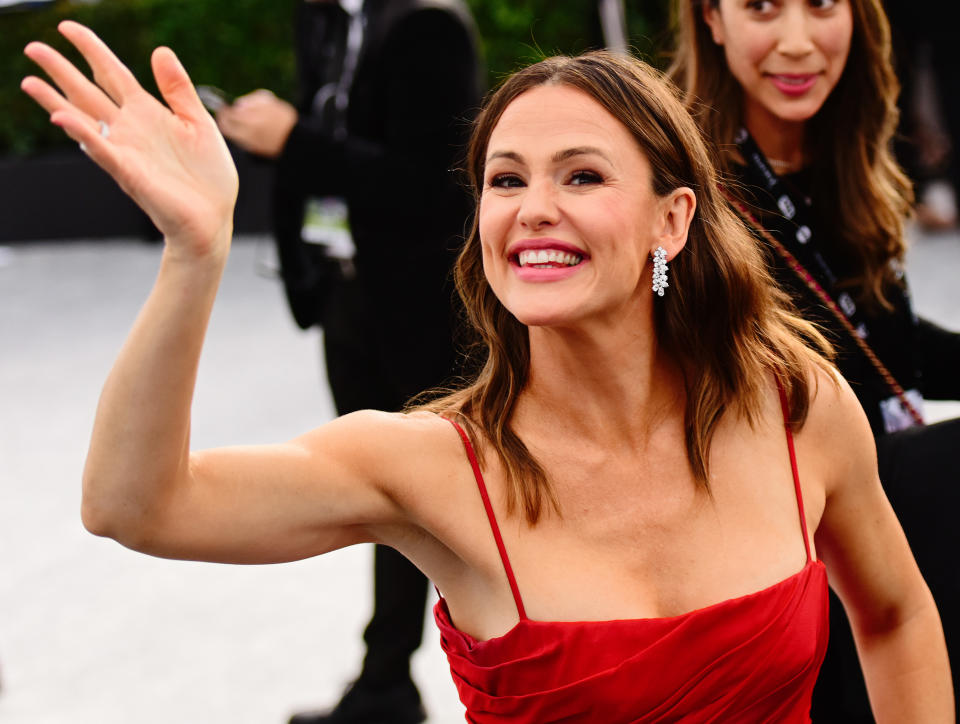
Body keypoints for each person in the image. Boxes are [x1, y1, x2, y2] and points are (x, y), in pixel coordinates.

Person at [21, 21, 953, 722]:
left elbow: (898, 616)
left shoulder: (796, 406)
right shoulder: (428, 464)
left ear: (673, 221)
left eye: (581, 176)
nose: (534, 209)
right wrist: (196, 253)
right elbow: (133, 506)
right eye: (506, 181)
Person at [668, 0, 960, 719]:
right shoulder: (675, 182)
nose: (797, 43)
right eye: (762, 7)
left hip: (887, 534)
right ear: (711, 16)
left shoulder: (847, 144)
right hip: (780, 561)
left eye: (823, 4)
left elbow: (887, 344)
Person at [214, 2, 482, 721]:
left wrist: (293, 140)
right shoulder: (319, 16)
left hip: (424, 310)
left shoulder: (431, 25)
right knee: (379, 502)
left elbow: (433, 187)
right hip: (347, 295)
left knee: (452, 500)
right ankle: (386, 681)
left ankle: (471, 674)